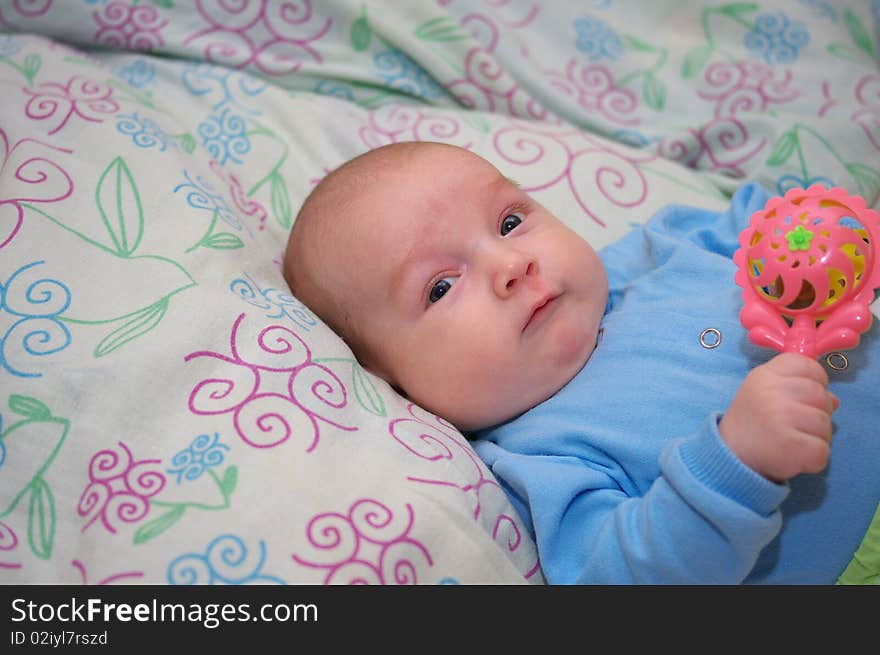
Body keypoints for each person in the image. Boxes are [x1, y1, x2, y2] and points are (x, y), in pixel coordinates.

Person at [283, 140, 880, 584]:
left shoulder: (658, 250)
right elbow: (625, 577)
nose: (510, 262)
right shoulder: (534, 459)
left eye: (510, 222)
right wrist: (735, 465)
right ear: (394, 384)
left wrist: (824, 231)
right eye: (440, 287)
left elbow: (771, 225)